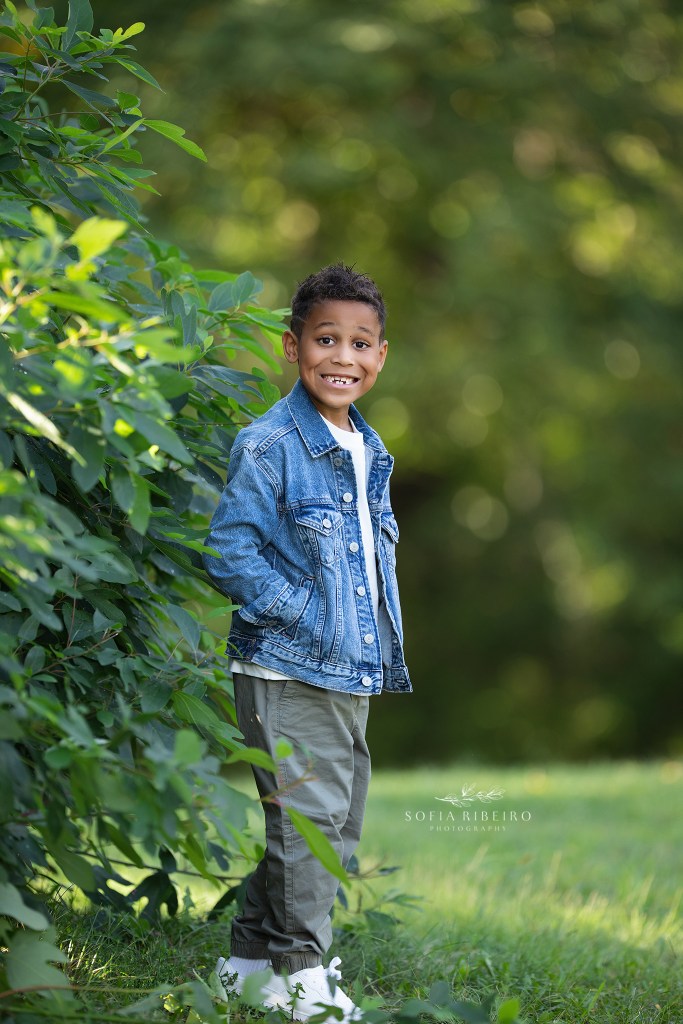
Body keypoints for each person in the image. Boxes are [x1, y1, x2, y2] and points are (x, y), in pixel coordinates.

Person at [203, 263, 411, 1021]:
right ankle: (300, 976)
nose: (342, 358)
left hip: (349, 669)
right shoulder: (269, 444)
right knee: (309, 825)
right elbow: (229, 551)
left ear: (380, 356)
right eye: (326, 340)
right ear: (293, 347)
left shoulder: (366, 448)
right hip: (286, 665)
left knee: (326, 822)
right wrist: (306, 615)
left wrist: (358, 639)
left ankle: (247, 964)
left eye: (360, 344)